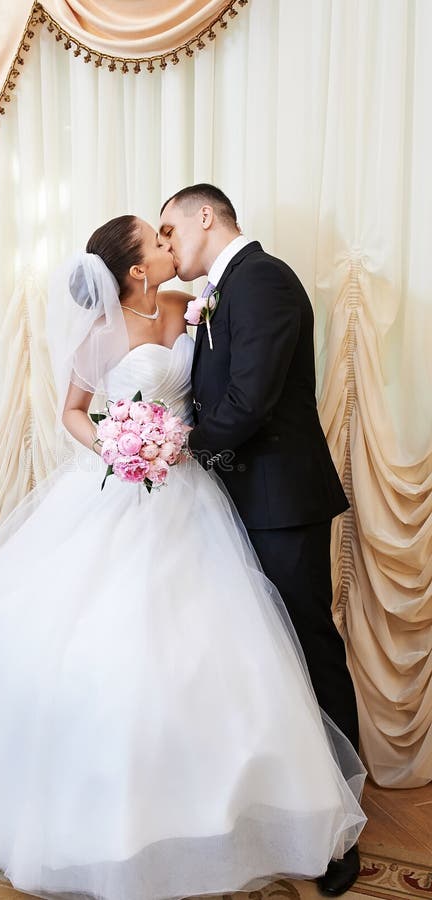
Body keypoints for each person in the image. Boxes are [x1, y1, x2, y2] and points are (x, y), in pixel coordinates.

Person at [0, 215, 365, 900]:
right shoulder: (101, 333)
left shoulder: (193, 303)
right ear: (136, 269)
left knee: (219, 640)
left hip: (196, 488)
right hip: (125, 486)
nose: (170, 245)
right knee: (105, 640)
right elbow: (75, 412)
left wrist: (175, 442)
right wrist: (119, 448)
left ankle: (258, 801)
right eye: (157, 241)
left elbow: (227, 390)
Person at [160, 184, 362, 896]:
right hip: (238, 500)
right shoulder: (225, 290)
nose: (166, 245)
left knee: (308, 648)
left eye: (169, 228)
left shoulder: (264, 281)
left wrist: (171, 445)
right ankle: (283, 803)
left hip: (280, 501)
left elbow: (248, 401)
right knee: (261, 659)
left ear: (205, 217)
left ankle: (345, 821)